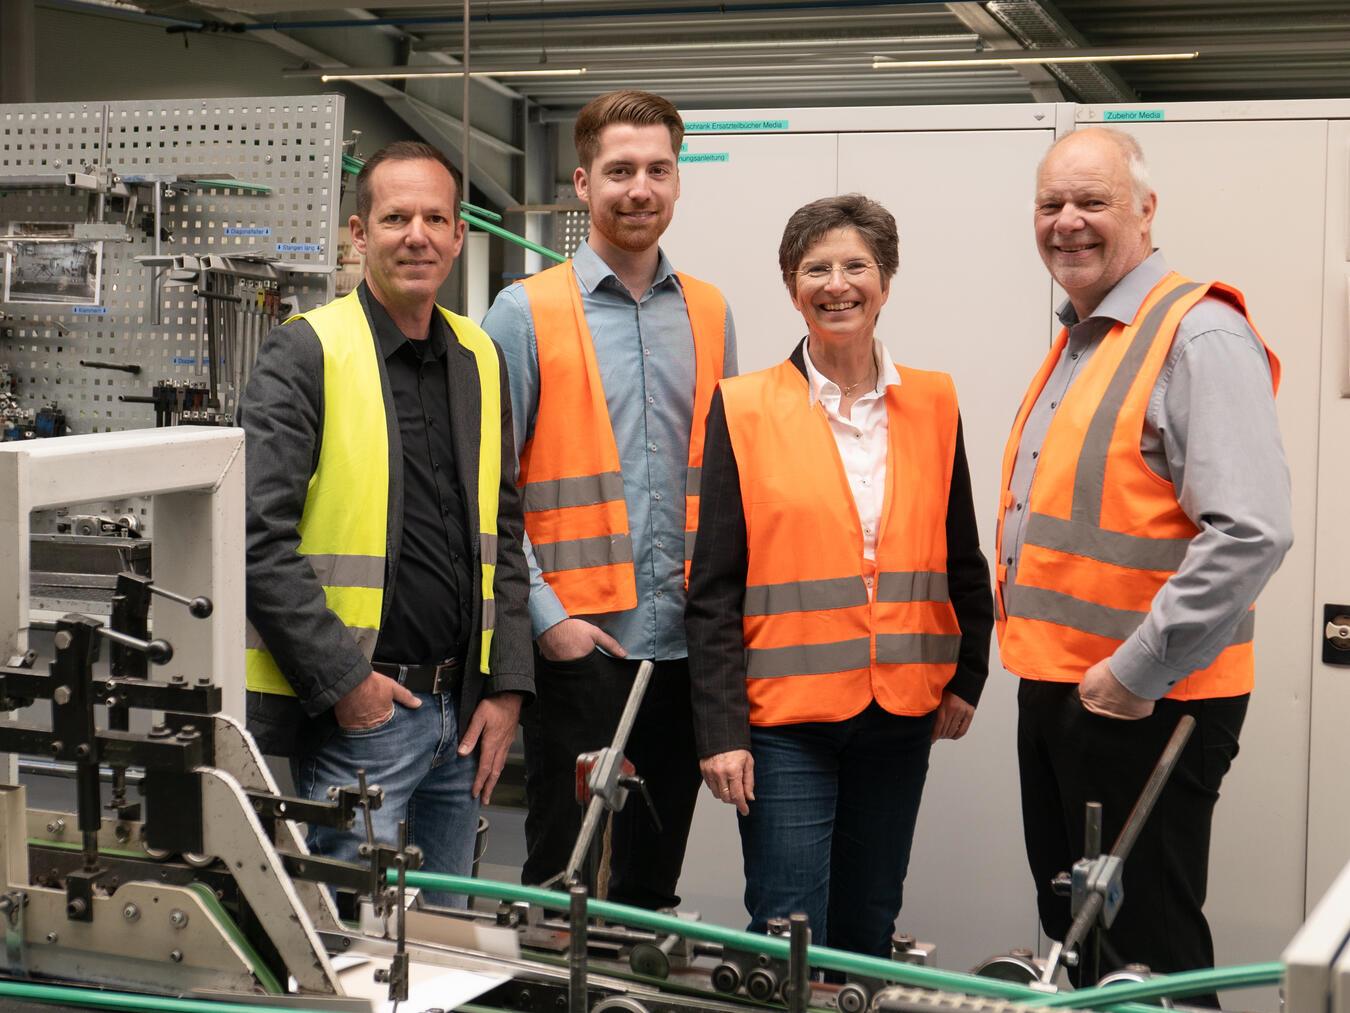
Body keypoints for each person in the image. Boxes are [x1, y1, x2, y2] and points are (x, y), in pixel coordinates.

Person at [998, 127, 1292, 991]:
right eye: (1052, 204)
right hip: (1063, 689)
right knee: (1077, 937)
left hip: (1145, 701)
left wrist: (1135, 672)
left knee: (1144, 952)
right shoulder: (1087, 335)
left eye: (1093, 201)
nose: (1068, 223)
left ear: (1146, 210)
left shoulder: (1197, 334)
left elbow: (1252, 530)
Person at [686, 193, 993, 956]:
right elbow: (714, 587)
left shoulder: (933, 401)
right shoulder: (745, 406)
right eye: (815, 268)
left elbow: (961, 552)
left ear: (886, 279)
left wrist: (969, 674)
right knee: (788, 928)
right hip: (785, 723)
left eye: (856, 265)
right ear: (792, 285)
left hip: (900, 714)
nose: (838, 284)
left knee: (868, 924)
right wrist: (722, 731)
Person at [240, 141, 533, 904]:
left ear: (459, 235)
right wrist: (347, 686)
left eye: (436, 217)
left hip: (461, 716)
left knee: (443, 947)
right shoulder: (305, 352)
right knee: (348, 943)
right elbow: (254, 538)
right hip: (363, 716)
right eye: (397, 217)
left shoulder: (481, 355)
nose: (419, 235)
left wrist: (506, 690)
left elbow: (503, 532)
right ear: (359, 234)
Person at [482, 90, 737, 909]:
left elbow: (728, 479)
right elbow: (491, 489)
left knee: (650, 881)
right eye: (621, 171)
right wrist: (549, 622)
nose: (640, 189)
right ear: (583, 181)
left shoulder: (709, 310)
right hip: (585, 648)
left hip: (685, 645)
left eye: (658, 170)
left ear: (678, 181)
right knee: (565, 878)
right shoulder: (523, 312)